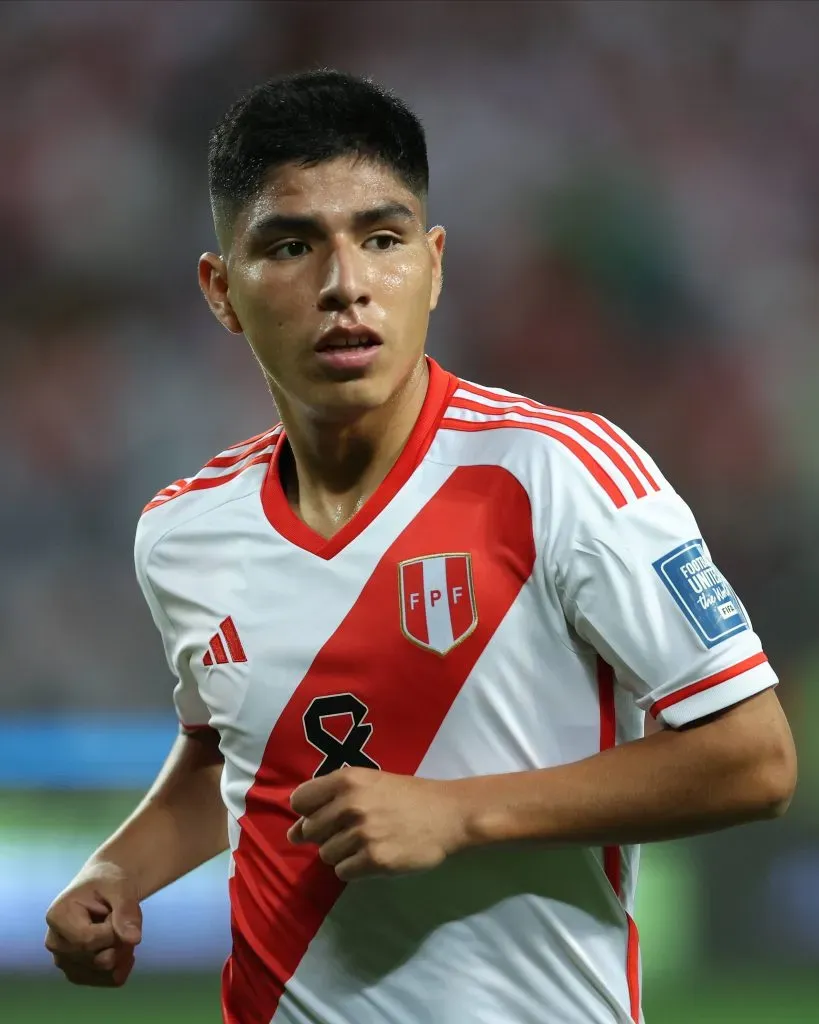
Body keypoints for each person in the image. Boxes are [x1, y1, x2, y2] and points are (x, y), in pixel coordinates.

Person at [44, 69, 797, 1024]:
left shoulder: (557, 474)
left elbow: (754, 759)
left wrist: (457, 812)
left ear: (434, 266)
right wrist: (117, 871)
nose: (345, 284)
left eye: (383, 239)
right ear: (221, 289)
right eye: (290, 245)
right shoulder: (183, 529)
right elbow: (228, 756)